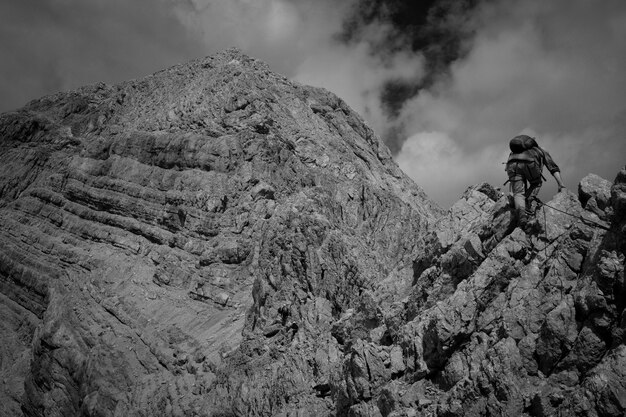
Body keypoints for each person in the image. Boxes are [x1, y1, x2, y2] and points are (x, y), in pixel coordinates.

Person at [505, 135, 565, 229]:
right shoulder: (541, 150)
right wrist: (561, 184)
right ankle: (528, 202)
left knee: (518, 193)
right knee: (536, 183)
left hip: (511, 164)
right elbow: (552, 167)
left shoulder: (513, 152)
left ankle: (522, 216)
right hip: (530, 163)